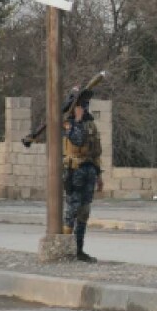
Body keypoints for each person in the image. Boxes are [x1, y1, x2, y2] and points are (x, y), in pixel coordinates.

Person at [62, 95, 103, 262]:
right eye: (81, 107)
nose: (84, 109)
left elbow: (96, 152)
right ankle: (65, 249)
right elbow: (77, 140)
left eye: (85, 107)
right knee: (72, 209)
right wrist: (77, 120)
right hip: (74, 170)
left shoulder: (91, 124)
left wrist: (99, 175)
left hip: (89, 169)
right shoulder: (68, 123)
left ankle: (79, 250)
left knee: (84, 212)